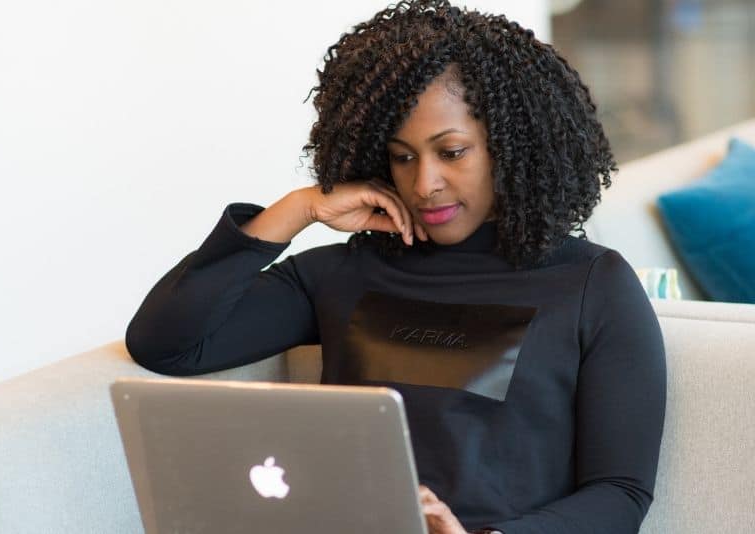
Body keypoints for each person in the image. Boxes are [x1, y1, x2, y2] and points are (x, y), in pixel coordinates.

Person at [124, 1, 667, 533]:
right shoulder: (344, 274)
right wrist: (298, 210)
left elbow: (619, 492)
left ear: (511, 146)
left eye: (451, 152)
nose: (424, 183)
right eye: (402, 156)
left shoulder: (593, 286)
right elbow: (166, 343)